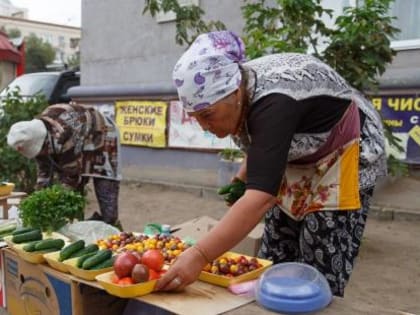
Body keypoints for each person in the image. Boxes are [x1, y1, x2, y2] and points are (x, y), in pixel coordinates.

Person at [156, 30, 387, 297]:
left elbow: (261, 197)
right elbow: (265, 141)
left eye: (208, 115)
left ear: (235, 94)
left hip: (345, 150)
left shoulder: (274, 104)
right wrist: (245, 175)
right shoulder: (241, 85)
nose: (206, 127)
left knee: (318, 258)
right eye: (196, 118)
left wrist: (199, 255)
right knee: (275, 252)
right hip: (303, 152)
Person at [7, 103, 122, 228]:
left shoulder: (64, 133)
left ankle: (112, 227)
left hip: (102, 134)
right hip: (79, 137)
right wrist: (39, 196)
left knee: (105, 190)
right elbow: (44, 171)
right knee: (74, 199)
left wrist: (55, 202)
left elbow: (71, 175)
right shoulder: (36, 135)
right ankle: (77, 228)